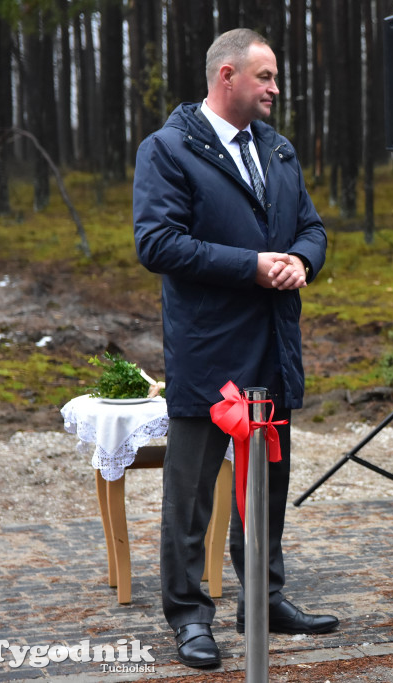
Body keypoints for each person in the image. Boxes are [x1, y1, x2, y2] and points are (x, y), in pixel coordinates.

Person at [133, 28, 337, 669]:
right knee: (190, 495)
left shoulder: (276, 149)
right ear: (227, 76)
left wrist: (300, 262)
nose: (276, 88)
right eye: (266, 76)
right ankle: (190, 617)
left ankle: (265, 599)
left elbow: (311, 226)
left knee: (268, 486)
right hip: (208, 352)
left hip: (271, 349)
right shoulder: (167, 150)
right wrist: (251, 265)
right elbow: (157, 243)